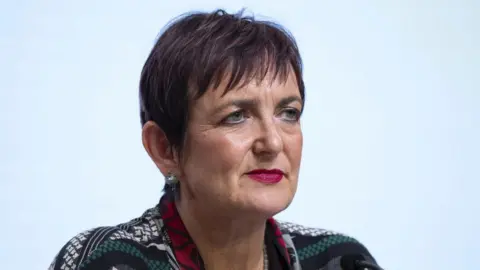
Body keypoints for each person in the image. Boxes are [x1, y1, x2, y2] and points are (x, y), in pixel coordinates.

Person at [49, 9, 381, 270]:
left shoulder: (341, 260)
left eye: (288, 113)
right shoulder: (108, 260)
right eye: (236, 116)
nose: (273, 143)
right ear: (165, 148)